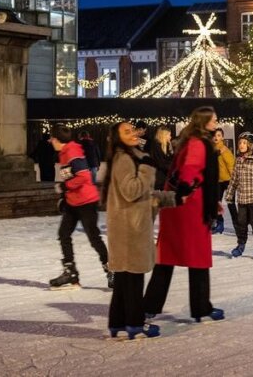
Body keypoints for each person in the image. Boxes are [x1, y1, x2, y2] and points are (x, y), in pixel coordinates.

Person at [142, 107, 225, 326]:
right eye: (214, 118)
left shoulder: (190, 140)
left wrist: (210, 200)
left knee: (167, 258)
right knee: (198, 257)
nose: (216, 121)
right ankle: (201, 307)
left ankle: (149, 306)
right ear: (204, 122)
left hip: (179, 208)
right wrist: (188, 190)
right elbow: (191, 169)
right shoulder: (198, 142)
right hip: (190, 207)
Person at [104, 121, 181, 340]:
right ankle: (135, 324)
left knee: (123, 279)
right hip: (131, 228)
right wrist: (148, 167)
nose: (133, 133)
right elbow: (132, 191)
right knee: (134, 278)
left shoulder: (127, 157)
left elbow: (143, 196)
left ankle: (117, 322)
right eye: (127, 132)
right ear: (119, 138)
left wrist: (172, 199)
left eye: (133, 130)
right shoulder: (125, 159)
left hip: (126, 225)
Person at [47, 125, 112, 290]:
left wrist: (64, 187)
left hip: (86, 202)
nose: (50, 141)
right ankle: (70, 272)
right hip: (73, 201)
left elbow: (83, 177)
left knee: (94, 238)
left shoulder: (72, 152)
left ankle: (112, 271)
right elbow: (70, 176)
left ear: (56, 139)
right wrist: (64, 195)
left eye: (51, 138)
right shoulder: (64, 153)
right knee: (63, 234)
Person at [225, 132, 253, 259]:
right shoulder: (238, 160)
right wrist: (229, 194)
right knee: (241, 224)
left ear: (251, 145)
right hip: (242, 200)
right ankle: (241, 245)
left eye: (244, 143)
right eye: (240, 143)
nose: (241, 145)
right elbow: (234, 180)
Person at [212, 128, 235, 235]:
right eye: (215, 135)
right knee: (217, 204)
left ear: (222, 137)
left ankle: (237, 225)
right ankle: (219, 224)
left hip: (228, 180)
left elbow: (231, 165)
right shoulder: (212, 150)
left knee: (231, 203)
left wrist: (234, 180)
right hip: (217, 181)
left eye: (219, 135)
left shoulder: (224, 150)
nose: (216, 137)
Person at [149, 126, 175, 194]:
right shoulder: (156, 146)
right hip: (159, 179)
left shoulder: (166, 146)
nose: (170, 137)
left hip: (164, 178)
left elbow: (170, 160)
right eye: (169, 135)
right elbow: (161, 163)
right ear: (164, 135)